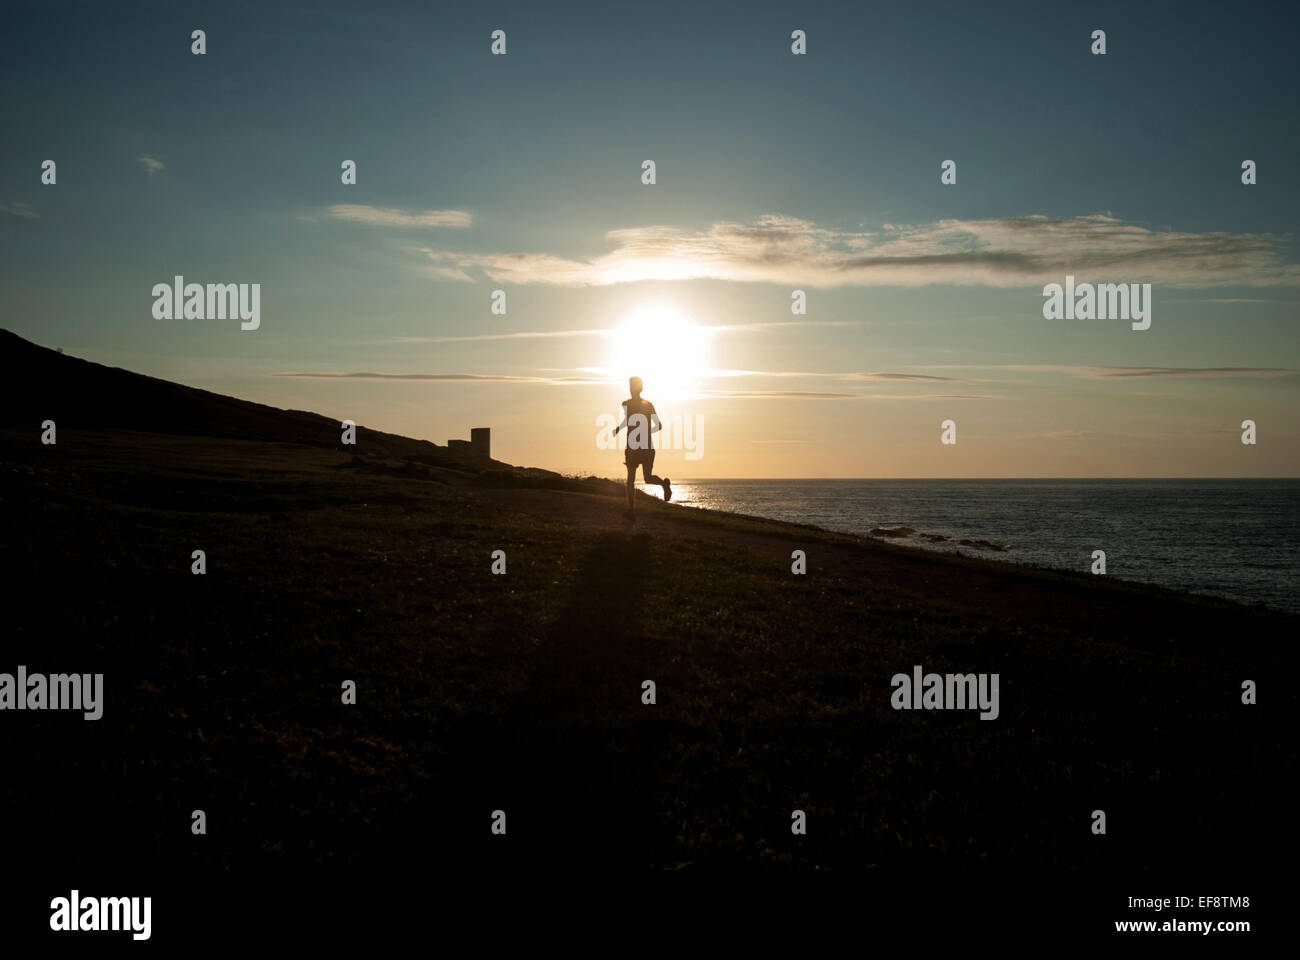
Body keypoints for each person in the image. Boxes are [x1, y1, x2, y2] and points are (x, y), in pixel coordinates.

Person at [612, 376, 671, 512]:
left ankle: (663, 485)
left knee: (645, 478)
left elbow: (659, 425)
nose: (631, 389)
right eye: (630, 386)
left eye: (633, 386)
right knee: (635, 479)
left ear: (639, 388)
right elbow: (628, 420)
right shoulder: (628, 404)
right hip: (637, 446)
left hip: (641, 446)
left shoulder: (645, 405)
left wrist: (643, 432)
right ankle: (631, 510)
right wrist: (619, 428)